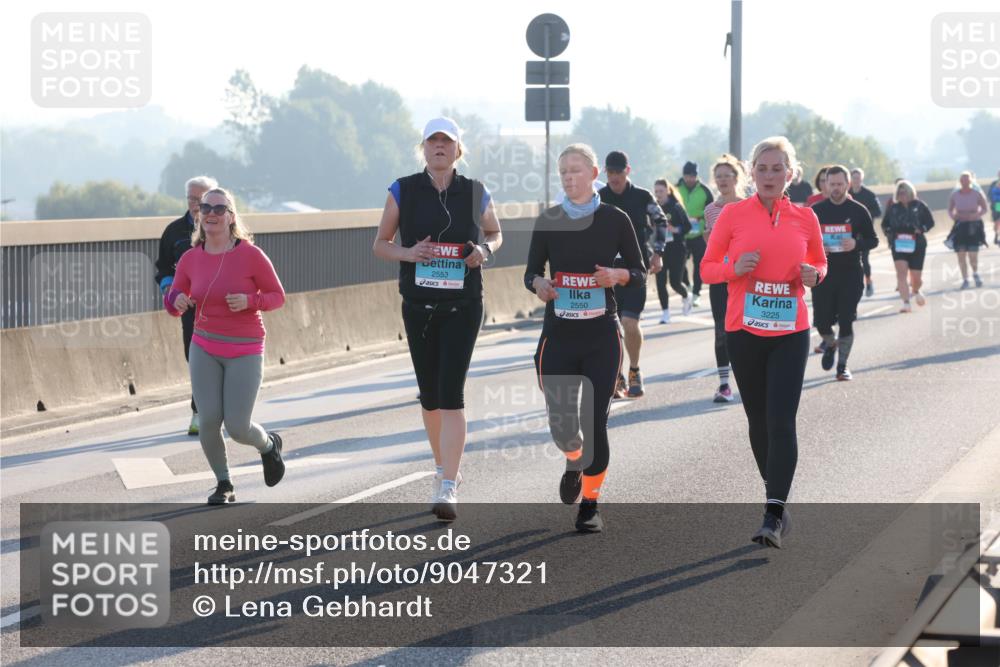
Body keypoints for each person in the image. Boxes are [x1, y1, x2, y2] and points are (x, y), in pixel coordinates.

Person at [373, 117, 502, 522]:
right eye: (433, 141)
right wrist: (409, 253)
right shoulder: (403, 189)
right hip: (418, 306)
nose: (439, 147)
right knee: (429, 397)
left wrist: (485, 250)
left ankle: (449, 483)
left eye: (447, 141)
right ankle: (443, 467)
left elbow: (496, 233)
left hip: (463, 306)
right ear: (423, 148)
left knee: (451, 392)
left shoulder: (476, 192)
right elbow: (380, 244)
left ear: (458, 149)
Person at [700, 136, 826, 548]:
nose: (769, 175)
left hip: (790, 332)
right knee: (757, 422)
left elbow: (820, 262)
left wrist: (815, 275)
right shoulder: (733, 215)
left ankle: (772, 513)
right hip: (744, 330)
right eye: (762, 168)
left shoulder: (805, 218)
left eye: (777, 169)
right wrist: (734, 267)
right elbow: (707, 269)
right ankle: (776, 493)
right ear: (750, 173)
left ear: (791, 174)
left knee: (780, 420)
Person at [525, 143, 646, 533]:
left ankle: (591, 503)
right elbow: (530, 273)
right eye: (562, 172)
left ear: (594, 173)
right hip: (559, 335)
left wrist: (618, 276)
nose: (568, 177)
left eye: (575, 170)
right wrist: (540, 283)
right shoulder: (549, 219)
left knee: (595, 423)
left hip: (600, 336)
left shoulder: (615, 219)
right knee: (563, 426)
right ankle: (574, 458)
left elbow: (639, 271)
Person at [164, 188, 287, 505]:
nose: (212, 213)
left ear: (232, 217)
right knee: (207, 420)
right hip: (204, 346)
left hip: (245, 347)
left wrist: (250, 301)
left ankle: (268, 446)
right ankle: (224, 484)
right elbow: (174, 300)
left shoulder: (251, 255)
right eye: (206, 207)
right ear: (199, 215)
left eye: (220, 208)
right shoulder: (191, 259)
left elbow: (277, 297)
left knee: (237, 426)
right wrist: (174, 300)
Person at [598, 151, 667, 399]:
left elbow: (660, 222)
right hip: (605, 272)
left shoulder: (642, 196)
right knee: (611, 326)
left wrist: (657, 252)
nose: (614, 177)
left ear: (628, 170)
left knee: (629, 322)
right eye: (610, 172)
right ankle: (616, 374)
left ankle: (634, 369)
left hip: (635, 269)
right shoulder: (599, 198)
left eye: (618, 172)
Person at [155, 175, 217, 436]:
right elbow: (163, 269)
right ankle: (200, 411)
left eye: (201, 199)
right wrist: (171, 291)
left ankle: (216, 410)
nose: (195, 204)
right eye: (191, 199)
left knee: (221, 359)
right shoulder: (174, 232)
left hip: (223, 307)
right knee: (195, 360)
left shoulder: (224, 228)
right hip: (191, 309)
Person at [811, 166, 879, 381]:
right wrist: (818, 247)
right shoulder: (816, 211)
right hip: (824, 274)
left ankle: (842, 366)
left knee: (846, 321)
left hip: (850, 274)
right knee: (821, 323)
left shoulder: (858, 210)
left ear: (847, 184)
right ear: (825, 185)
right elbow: (803, 241)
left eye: (840, 184)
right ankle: (831, 343)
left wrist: (856, 243)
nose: (836, 189)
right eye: (832, 184)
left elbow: (873, 240)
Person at [702, 154, 748, 403]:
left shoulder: (748, 205)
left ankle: (750, 378)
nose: (722, 180)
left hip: (744, 277)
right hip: (721, 277)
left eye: (726, 176)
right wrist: (709, 241)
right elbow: (712, 246)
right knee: (721, 330)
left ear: (736, 178)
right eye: (718, 176)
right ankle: (724, 385)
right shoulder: (710, 210)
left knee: (745, 329)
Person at [882, 180, 934, 312]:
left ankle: (916, 290)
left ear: (910, 192)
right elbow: (885, 224)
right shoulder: (893, 208)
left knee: (916, 277)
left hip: (917, 244)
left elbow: (930, 222)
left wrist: (921, 229)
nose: (901, 195)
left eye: (904, 192)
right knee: (901, 274)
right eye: (899, 193)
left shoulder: (920, 205)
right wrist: (890, 233)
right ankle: (906, 303)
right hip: (899, 244)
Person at [652, 179, 692, 324]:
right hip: (660, 250)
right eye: (656, 191)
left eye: (661, 191)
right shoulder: (653, 208)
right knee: (660, 282)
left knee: (675, 282)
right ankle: (665, 313)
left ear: (668, 191)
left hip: (677, 249)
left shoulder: (675, 207)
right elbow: (649, 226)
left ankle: (686, 296)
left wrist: (675, 230)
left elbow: (687, 226)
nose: (658, 194)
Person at [676, 161, 715, 308]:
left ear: (696, 176)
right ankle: (688, 285)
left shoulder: (705, 190)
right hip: (682, 234)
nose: (690, 179)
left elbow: (712, 211)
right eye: (687, 175)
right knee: (680, 264)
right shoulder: (676, 188)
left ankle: (697, 294)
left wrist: (700, 218)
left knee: (699, 265)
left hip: (699, 234)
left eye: (692, 176)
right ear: (683, 175)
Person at [947, 171, 989, 289]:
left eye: (967, 180)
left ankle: (975, 273)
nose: (964, 182)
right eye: (962, 180)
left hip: (974, 225)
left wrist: (976, 215)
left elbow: (985, 208)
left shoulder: (977, 193)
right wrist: (953, 216)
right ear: (960, 182)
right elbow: (950, 209)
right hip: (960, 225)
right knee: (961, 254)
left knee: (972, 254)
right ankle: (965, 279)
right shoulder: (955, 195)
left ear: (971, 181)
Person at [849, 168, 882, 297]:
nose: (856, 181)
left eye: (858, 178)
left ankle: (868, 282)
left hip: (865, 233)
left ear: (862, 179)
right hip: (849, 233)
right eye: (854, 178)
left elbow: (878, 211)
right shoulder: (846, 193)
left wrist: (864, 215)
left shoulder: (869, 195)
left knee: (864, 258)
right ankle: (853, 284)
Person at [989, 169, 1000, 247]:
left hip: (997, 204)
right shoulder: (994, 183)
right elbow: (990, 195)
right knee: (997, 221)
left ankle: (996, 235)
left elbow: (989, 195)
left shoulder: (994, 183)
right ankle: (996, 234)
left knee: (997, 221)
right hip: (998, 204)